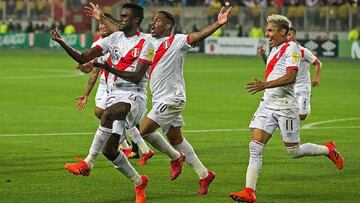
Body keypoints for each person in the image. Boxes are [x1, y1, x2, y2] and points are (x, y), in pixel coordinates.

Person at [88, 5, 232, 195]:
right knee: (175, 138)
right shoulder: (147, 42)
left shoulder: (177, 41)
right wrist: (102, 18)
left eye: (158, 20)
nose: (152, 23)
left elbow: (197, 36)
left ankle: (174, 158)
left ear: (168, 25)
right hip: (159, 99)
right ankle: (204, 174)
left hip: (172, 98)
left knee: (145, 130)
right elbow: (122, 31)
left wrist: (218, 23)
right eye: (153, 19)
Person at [51, 3, 163, 203]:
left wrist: (108, 68)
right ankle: (139, 182)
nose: (121, 19)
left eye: (125, 16)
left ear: (136, 20)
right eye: (121, 16)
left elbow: (137, 77)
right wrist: (62, 42)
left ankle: (88, 162)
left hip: (134, 96)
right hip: (114, 95)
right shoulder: (113, 39)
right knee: (110, 151)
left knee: (107, 113)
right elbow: (84, 57)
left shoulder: (147, 43)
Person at [229, 14, 344, 203]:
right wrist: (264, 57)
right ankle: (249, 191)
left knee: (294, 151)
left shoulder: (293, 49)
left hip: (285, 107)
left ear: (283, 32)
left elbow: (291, 76)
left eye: (270, 30)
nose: (267, 34)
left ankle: (328, 149)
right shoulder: (274, 48)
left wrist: (265, 85)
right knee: (255, 147)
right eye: (267, 30)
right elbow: (275, 69)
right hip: (267, 105)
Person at [76, 13, 154, 166]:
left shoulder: (122, 40)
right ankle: (133, 149)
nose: (101, 27)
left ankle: (133, 150)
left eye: (104, 24)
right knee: (104, 114)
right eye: (100, 25)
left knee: (112, 116)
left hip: (125, 87)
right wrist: (86, 91)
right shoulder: (100, 44)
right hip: (107, 85)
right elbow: (92, 71)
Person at [258, 26, 322, 120]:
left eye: (289, 34)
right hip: (288, 86)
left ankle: (306, 102)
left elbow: (318, 63)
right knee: (284, 113)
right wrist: (263, 55)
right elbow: (271, 67)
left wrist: (316, 78)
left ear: (294, 37)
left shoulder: (303, 51)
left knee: (302, 116)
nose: (287, 37)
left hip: (302, 86)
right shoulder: (280, 51)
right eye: (286, 35)